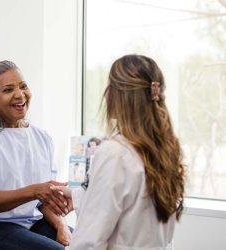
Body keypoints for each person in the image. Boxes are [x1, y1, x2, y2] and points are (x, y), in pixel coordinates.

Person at [52, 54, 185, 250]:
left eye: (110, 87)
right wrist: (77, 197)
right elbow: (134, 204)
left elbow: (88, 241)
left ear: (123, 95)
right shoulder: (166, 149)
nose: (106, 95)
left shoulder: (114, 152)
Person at [0, 60, 71, 250]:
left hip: (31, 221)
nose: (20, 94)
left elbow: (45, 200)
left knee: (88, 243)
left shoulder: (42, 137)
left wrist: (61, 225)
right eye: (8, 90)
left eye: (23, 86)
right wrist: (34, 191)